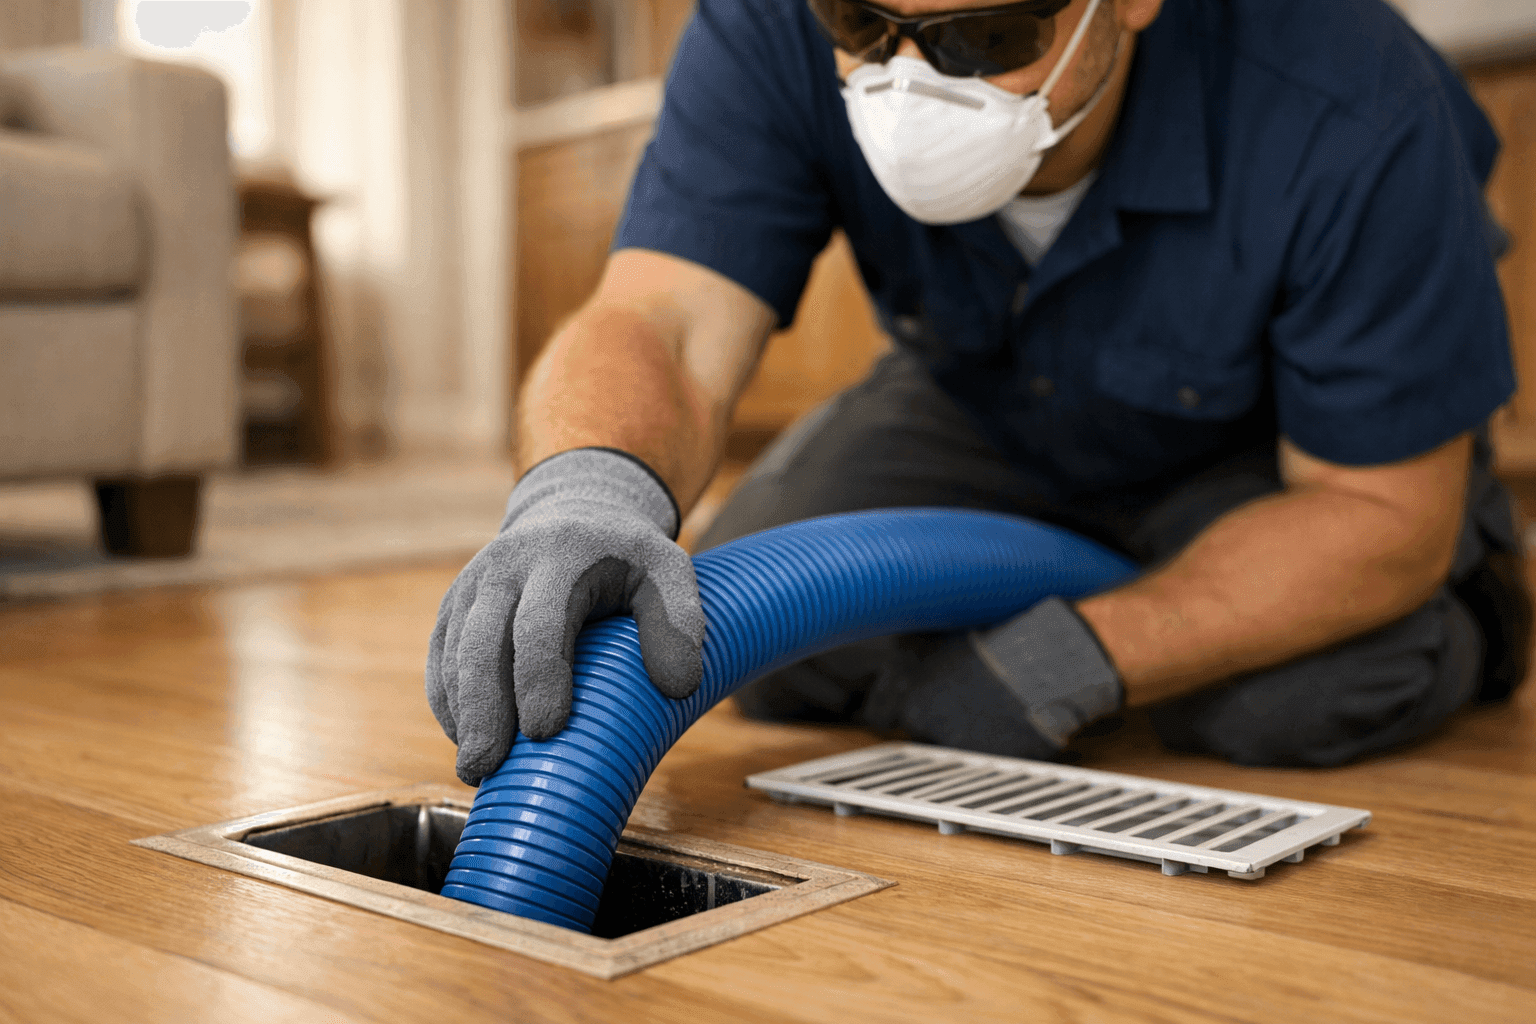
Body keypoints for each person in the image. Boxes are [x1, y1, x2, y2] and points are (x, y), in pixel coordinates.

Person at [426, 0, 1530, 787]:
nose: (911, 83)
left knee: (1280, 703)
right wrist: (585, 488)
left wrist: (1069, 657)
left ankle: (1480, 603)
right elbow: (663, 313)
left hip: (1273, 462)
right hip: (988, 398)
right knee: (756, 638)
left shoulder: (1352, 97)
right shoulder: (771, 22)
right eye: (863, 29)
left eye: (981, 38)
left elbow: (1379, 510)